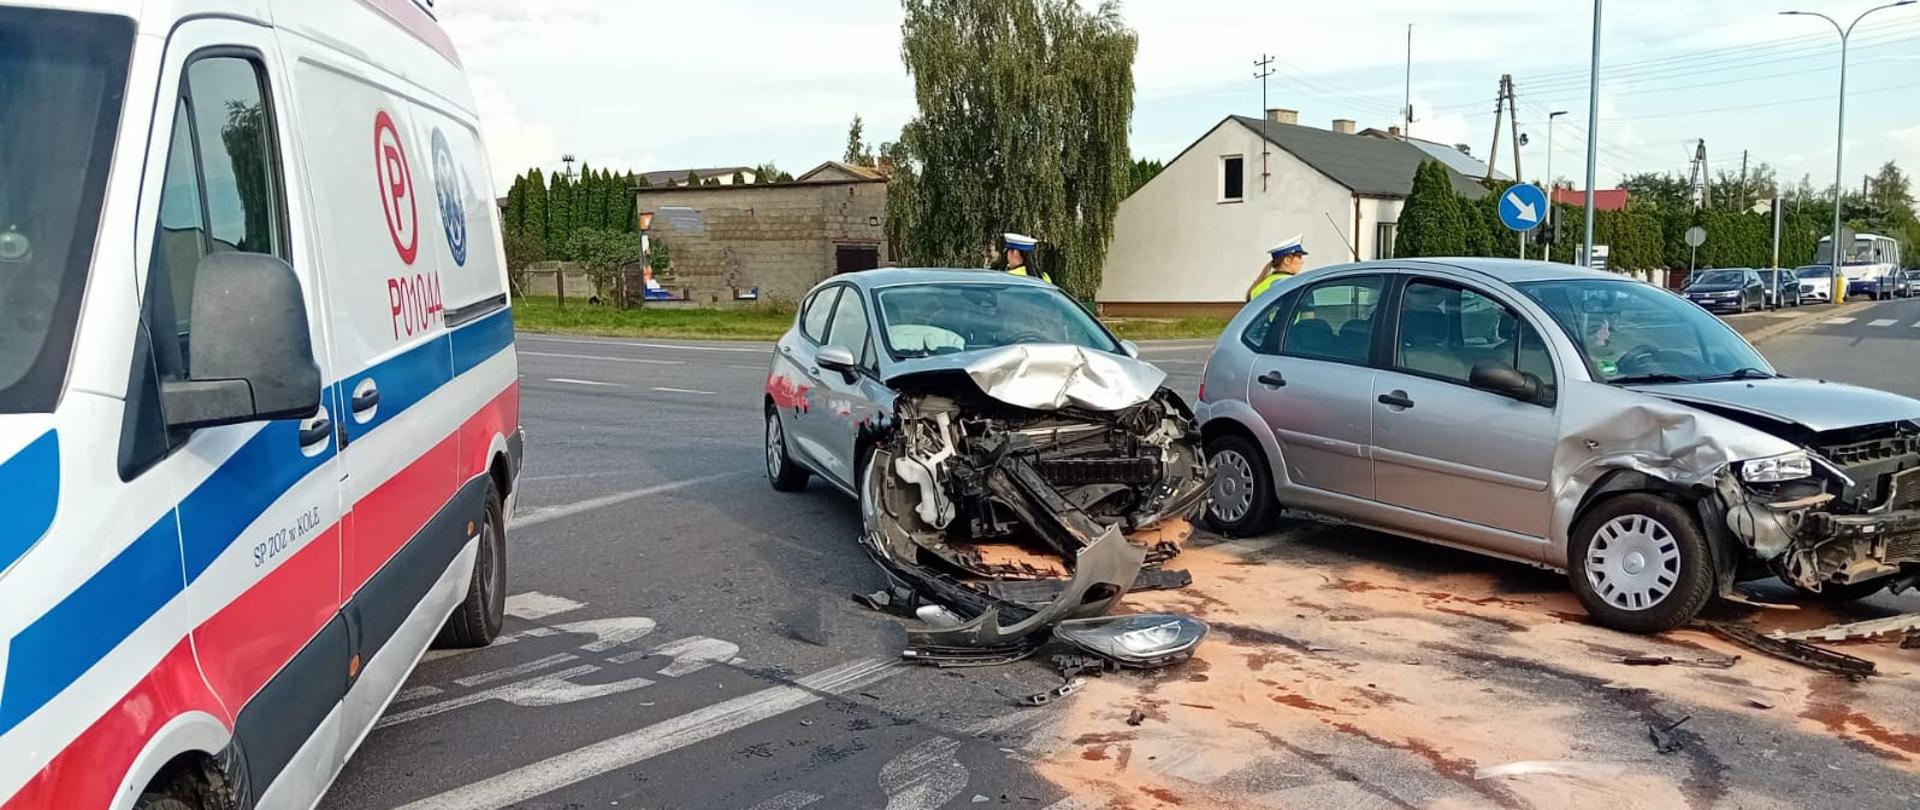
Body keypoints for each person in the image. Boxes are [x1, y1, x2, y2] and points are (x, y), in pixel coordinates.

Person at [1247, 236, 1308, 300]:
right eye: (1299, 257)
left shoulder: (1267, 281)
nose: (1302, 262)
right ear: (1287, 260)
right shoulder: (1287, 282)